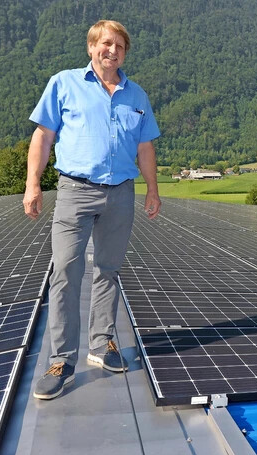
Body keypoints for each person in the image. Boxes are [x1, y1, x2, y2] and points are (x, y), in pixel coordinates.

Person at [23, 20, 161, 400]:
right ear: (91, 48)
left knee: (109, 270)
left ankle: (102, 345)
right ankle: (61, 360)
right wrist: (33, 183)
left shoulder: (137, 96)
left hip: (121, 193)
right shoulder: (64, 84)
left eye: (118, 45)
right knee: (66, 270)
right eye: (105, 43)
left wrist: (152, 188)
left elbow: (146, 146)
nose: (111, 50)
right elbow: (43, 135)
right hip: (75, 191)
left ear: (125, 52)